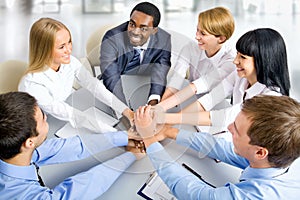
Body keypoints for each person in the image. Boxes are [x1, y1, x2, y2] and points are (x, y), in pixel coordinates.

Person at [134, 95, 300, 199]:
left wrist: (149, 138)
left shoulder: (255, 196)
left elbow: (194, 194)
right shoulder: (282, 154)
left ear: (260, 152)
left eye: (237, 129)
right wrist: (170, 131)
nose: (228, 128)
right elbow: (226, 150)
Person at [0, 92, 145, 199]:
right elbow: (82, 188)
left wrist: (124, 136)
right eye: (43, 119)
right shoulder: (20, 195)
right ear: (29, 142)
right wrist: (131, 156)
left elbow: (69, 147)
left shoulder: (15, 151)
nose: (46, 118)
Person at [154, 28, 291, 130]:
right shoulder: (240, 77)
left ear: (264, 61)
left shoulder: (271, 97)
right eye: (237, 55)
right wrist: (162, 112)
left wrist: (165, 118)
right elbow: (209, 99)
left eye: (243, 57)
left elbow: (226, 117)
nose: (235, 61)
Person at [18, 17, 134, 134]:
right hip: (45, 127)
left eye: (69, 42)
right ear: (45, 50)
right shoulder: (32, 84)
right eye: (61, 47)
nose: (69, 50)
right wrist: (115, 133)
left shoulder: (69, 62)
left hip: (65, 114)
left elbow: (93, 84)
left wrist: (125, 110)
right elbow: (70, 114)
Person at [98, 1, 171, 106]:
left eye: (143, 28)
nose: (135, 32)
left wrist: (153, 102)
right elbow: (111, 76)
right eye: (132, 24)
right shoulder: (112, 37)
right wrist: (123, 110)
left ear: (154, 31)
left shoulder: (164, 40)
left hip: (143, 85)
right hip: (116, 88)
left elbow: (160, 72)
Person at [162, 7, 235, 102]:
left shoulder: (231, 60)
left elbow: (204, 83)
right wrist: (160, 104)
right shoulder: (190, 48)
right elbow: (177, 79)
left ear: (221, 39)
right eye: (197, 30)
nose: (197, 37)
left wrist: (165, 105)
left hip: (216, 105)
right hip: (190, 97)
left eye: (203, 34)